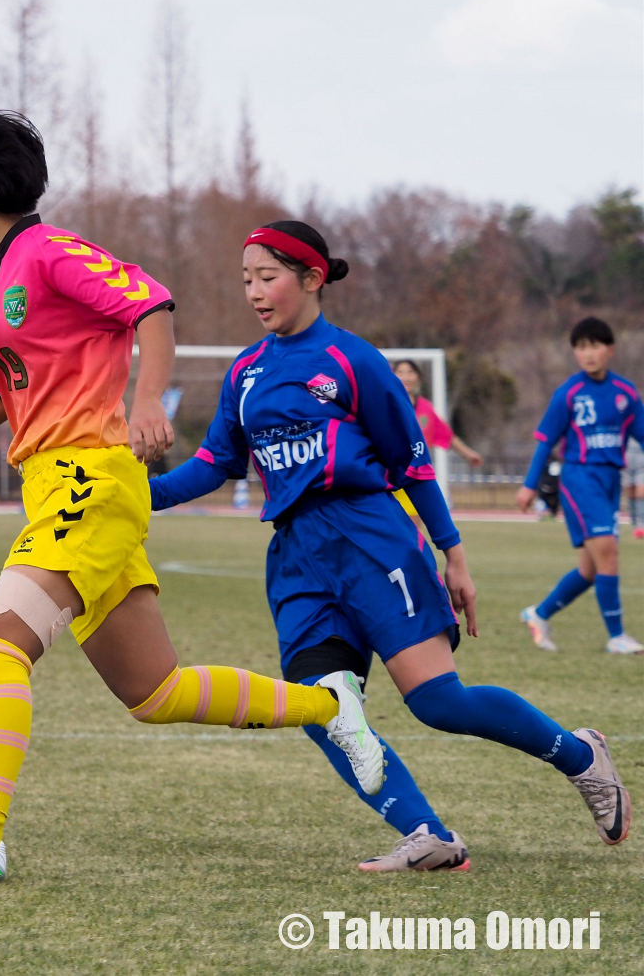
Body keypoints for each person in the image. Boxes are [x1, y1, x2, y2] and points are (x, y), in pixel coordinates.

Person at [0, 109, 384, 883]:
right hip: (56, 489)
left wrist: (146, 402)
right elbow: (0, 391)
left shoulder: (49, 252)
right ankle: (332, 707)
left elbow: (151, 306)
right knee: (154, 690)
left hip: (91, 481)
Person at [151, 221, 632, 866]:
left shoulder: (353, 360)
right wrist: (137, 494)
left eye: (267, 277)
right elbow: (215, 462)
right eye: (246, 280)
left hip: (371, 540)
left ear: (312, 278)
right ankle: (428, 834)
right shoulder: (246, 371)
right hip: (296, 558)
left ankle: (581, 756)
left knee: (438, 702)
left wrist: (453, 553)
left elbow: (414, 465)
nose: (254, 293)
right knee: (323, 710)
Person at [518, 317, 644, 655]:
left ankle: (539, 614)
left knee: (590, 569)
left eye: (595, 346)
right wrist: (529, 486)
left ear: (610, 350)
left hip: (610, 481)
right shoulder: (569, 393)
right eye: (581, 347)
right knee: (609, 554)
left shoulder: (626, 393)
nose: (588, 353)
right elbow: (546, 442)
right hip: (580, 479)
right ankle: (617, 636)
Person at [392, 360, 483, 469]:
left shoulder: (425, 408)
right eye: (400, 372)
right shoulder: (385, 405)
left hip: (418, 470)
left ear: (418, 377)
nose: (405, 377)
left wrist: (468, 454)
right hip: (391, 470)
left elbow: (446, 435)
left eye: (410, 372)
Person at [624, 437, 644, 539]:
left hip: (642, 458)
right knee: (630, 495)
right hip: (627, 459)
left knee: (641, 493)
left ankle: (642, 525)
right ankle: (634, 525)